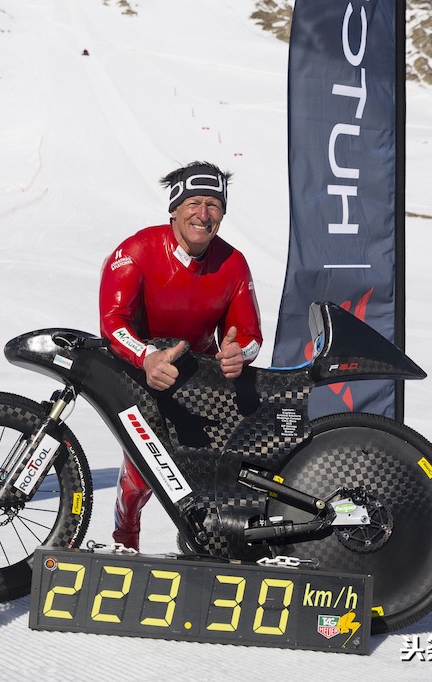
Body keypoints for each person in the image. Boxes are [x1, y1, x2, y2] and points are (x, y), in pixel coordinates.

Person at [98, 161, 263, 550]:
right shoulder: (136, 249)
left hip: (198, 378)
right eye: (193, 202)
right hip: (138, 370)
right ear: (174, 208)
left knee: (206, 472)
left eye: (213, 205)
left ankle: (202, 543)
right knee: (143, 474)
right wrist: (146, 358)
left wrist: (239, 353)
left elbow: (250, 334)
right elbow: (112, 322)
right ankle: (126, 535)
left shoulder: (233, 263)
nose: (203, 215)